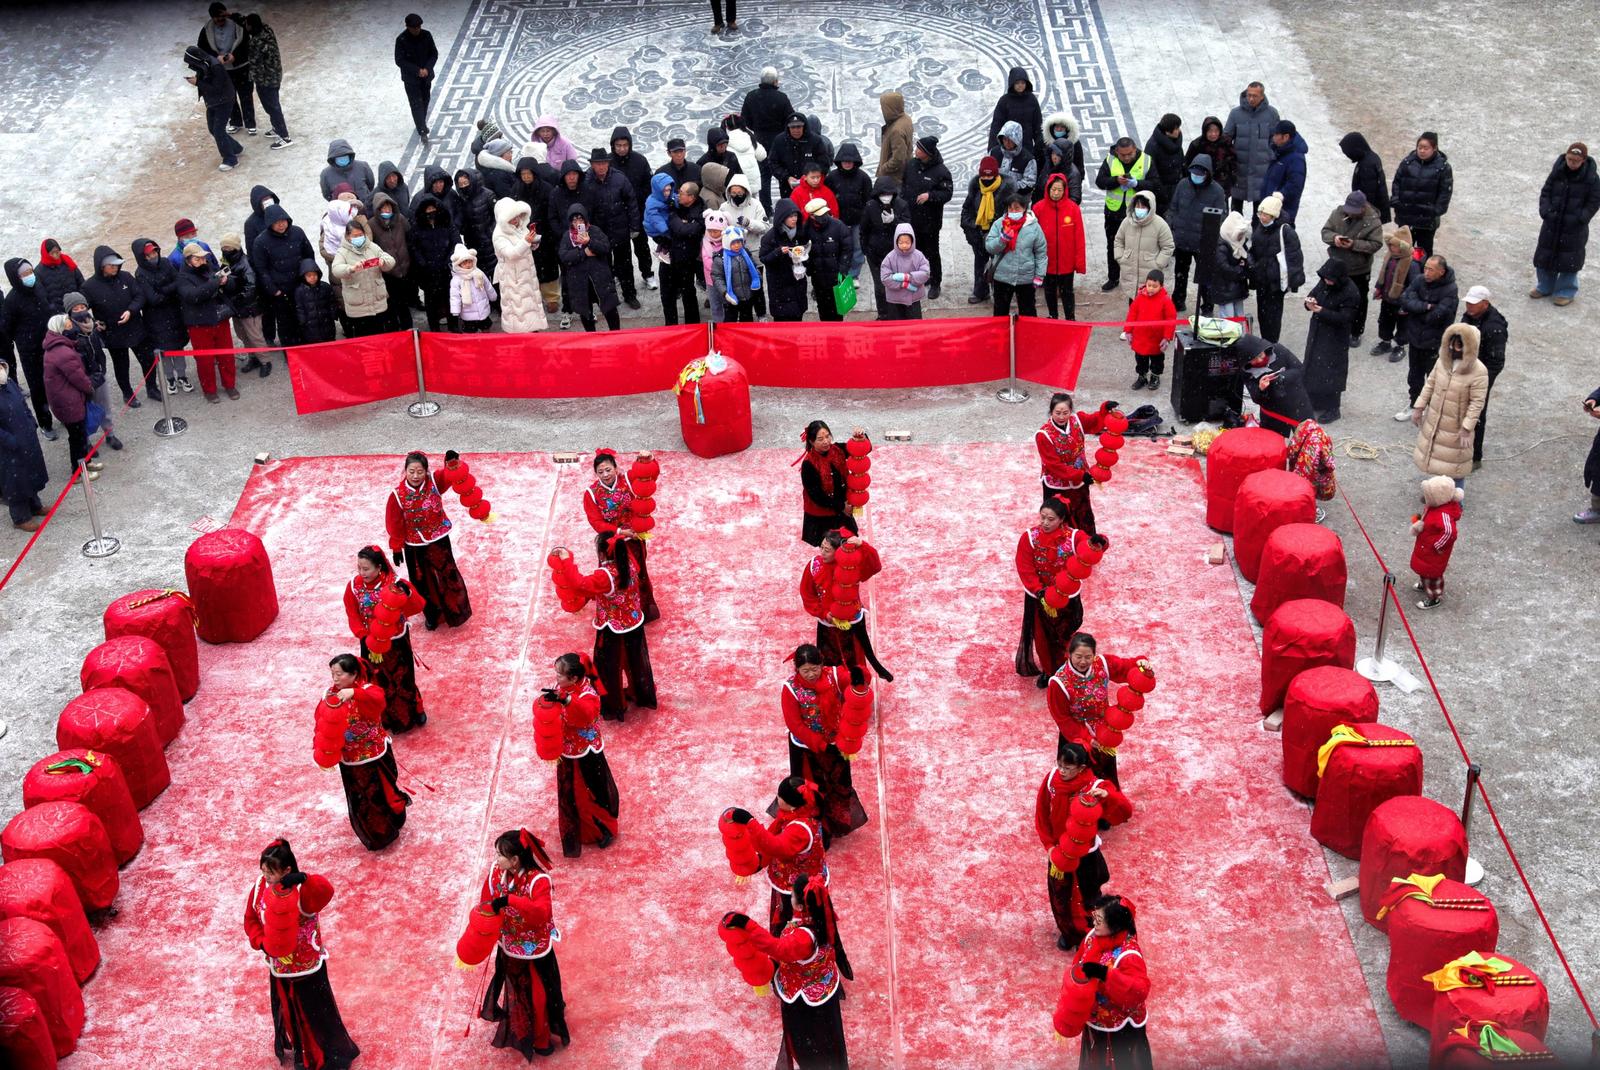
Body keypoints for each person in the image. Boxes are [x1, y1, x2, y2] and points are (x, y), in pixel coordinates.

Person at [243, 839, 359, 1070]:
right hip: (279, 967)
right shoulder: (259, 888)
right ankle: (301, 1050)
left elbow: (325, 891)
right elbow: (251, 919)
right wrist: (261, 942)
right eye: (263, 871)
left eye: (270, 873)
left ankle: (319, 1057)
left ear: (287, 871)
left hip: (306, 968)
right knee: (290, 1011)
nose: (265, 877)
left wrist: (305, 878)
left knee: (313, 1013)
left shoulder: (304, 891)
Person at [719, 874, 850, 1070]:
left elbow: (778, 949)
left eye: (793, 897)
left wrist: (746, 924)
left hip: (805, 1001)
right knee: (826, 1043)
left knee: (810, 1046)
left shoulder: (802, 939)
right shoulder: (822, 917)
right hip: (823, 988)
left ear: (799, 905)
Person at [477, 829, 569, 1058]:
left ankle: (540, 1039)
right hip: (508, 947)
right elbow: (486, 901)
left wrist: (510, 900)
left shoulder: (538, 881)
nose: (496, 859)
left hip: (535, 952)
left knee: (538, 997)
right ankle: (524, 1033)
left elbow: (541, 913)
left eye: (500, 854)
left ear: (515, 860)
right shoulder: (497, 873)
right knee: (517, 995)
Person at [727, 777, 852, 945]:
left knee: (794, 923)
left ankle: (795, 950)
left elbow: (775, 846)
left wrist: (749, 821)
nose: (777, 799)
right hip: (798, 877)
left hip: (797, 888)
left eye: (780, 797)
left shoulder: (798, 830)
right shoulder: (802, 813)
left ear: (792, 805)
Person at [1037, 740, 1132, 950]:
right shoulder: (1052, 779)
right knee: (1060, 897)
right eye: (1060, 765)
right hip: (1059, 854)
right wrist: (1049, 846)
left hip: (1086, 854)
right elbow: (1042, 813)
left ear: (1081, 768)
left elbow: (1125, 811)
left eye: (1068, 768)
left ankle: (1093, 933)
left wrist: (1108, 796)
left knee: (1090, 895)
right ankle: (1068, 933)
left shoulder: (1095, 787)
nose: (1062, 771)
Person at [551, 535, 658, 721]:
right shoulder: (630, 561)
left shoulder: (605, 575)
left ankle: (614, 705)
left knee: (609, 669)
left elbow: (579, 584)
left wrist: (566, 560)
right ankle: (640, 695)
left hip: (612, 629)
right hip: (633, 622)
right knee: (636, 663)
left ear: (602, 552)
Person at [316, 653, 411, 850]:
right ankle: (377, 834)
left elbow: (378, 701)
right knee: (361, 800)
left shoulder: (368, 690)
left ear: (353, 674)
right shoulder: (330, 695)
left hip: (374, 755)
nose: (335, 679)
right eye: (333, 674)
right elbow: (323, 725)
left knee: (382, 793)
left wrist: (354, 693)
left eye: (339, 674)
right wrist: (325, 754)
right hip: (350, 760)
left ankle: (393, 821)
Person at [781, 644, 870, 839]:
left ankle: (834, 824)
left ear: (822, 664)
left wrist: (860, 676)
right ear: (797, 669)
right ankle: (816, 831)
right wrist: (821, 744)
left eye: (815, 668)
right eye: (805, 671)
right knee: (811, 792)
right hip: (806, 750)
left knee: (838, 785)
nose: (811, 674)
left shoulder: (835, 676)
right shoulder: (790, 689)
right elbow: (795, 725)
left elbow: (858, 684)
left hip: (836, 745)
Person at [1015, 497, 1106, 683]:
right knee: (1043, 638)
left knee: (1064, 635)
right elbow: (1024, 566)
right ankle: (1050, 672)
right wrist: (1039, 590)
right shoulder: (1029, 537)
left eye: (1051, 519)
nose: (1045, 523)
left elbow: (1091, 546)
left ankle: (1069, 669)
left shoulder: (1074, 537)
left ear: (1062, 519)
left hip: (1067, 597)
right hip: (1039, 599)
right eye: (1043, 517)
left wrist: (1099, 542)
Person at [385, 450, 476, 629]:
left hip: (438, 539)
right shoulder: (398, 495)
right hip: (414, 544)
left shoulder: (434, 482)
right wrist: (396, 547)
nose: (416, 476)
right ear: (405, 471)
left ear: (426, 471)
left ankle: (456, 611)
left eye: (420, 471)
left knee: (447, 575)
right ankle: (432, 615)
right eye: (411, 471)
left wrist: (452, 463)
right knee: (421, 582)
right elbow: (394, 522)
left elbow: (450, 475)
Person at [1059, 893, 1152, 1069]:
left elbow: (1139, 991)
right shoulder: (1093, 937)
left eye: (1099, 920)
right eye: (1094, 917)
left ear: (1115, 926)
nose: (1094, 923)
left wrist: (1105, 974)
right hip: (1096, 1018)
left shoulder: (1129, 955)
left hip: (1119, 1028)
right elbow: (1078, 965)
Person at [539, 654, 618, 856]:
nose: (556, 677)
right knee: (571, 795)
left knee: (584, 795)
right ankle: (582, 829)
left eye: (560, 674)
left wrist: (566, 701)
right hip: (567, 750)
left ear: (574, 678)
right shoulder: (563, 689)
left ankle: (602, 830)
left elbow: (584, 716)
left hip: (584, 754)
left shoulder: (588, 695)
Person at [343, 545, 428, 733]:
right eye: (359, 568)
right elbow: (352, 613)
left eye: (366, 569)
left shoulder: (395, 584)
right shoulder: (353, 586)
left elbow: (416, 606)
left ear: (379, 567)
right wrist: (363, 635)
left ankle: (412, 711)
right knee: (376, 680)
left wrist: (408, 593)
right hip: (369, 642)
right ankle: (383, 717)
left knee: (402, 678)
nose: (361, 572)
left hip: (395, 641)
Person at [1046, 634, 1149, 787]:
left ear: (1094, 655)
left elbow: (1124, 668)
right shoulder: (1059, 682)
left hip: (1105, 732)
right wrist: (1086, 738)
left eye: (1088, 657)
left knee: (1106, 777)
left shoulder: (1102, 664)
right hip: (1076, 738)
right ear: (1069, 654)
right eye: (1078, 656)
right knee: (1078, 780)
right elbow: (1063, 719)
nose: (1083, 661)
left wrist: (1140, 664)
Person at [801, 529, 894, 681]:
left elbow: (874, 565)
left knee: (856, 659)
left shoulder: (851, 565)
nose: (822, 553)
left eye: (827, 550)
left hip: (852, 619)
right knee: (828, 661)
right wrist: (823, 613)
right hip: (827, 623)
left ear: (838, 552)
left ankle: (858, 687)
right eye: (821, 548)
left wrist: (863, 545)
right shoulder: (814, 566)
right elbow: (807, 594)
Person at [583, 447, 660, 622]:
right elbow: (596, 522)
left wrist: (648, 460)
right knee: (615, 578)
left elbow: (649, 476)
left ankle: (640, 611)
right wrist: (618, 531)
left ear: (616, 468)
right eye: (600, 471)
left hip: (633, 539)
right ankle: (614, 616)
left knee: (638, 574)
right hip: (611, 543)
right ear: (596, 473)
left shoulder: (627, 480)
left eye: (608, 470)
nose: (605, 474)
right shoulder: (591, 494)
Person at [1410, 323, 1487, 488]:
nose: (1453, 349)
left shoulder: (1479, 371)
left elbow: (1477, 402)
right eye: (1451, 344)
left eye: (1458, 345)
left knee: (1455, 467)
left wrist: (1467, 428)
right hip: (1436, 422)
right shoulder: (1442, 362)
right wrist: (1419, 407)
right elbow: (1430, 383)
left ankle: (1455, 502)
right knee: (1437, 460)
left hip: (1456, 428)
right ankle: (1437, 494)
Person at [81, 246, 156, 406]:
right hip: (113, 335)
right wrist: (94, 323)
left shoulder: (126, 277)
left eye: (117, 264)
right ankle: (127, 394)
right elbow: (82, 309)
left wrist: (131, 310)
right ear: (101, 266)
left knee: (148, 360)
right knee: (121, 366)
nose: (115, 267)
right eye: (111, 265)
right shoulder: (89, 287)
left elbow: (139, 295)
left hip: (136, 328)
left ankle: (152, 388)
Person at [1035, 392, 1115, 532]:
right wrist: (1081, 475)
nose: (1061, 417)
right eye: (1057, 412)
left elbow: (1095, 421)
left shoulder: (1077, 421)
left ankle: (1085, 545)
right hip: (1057, 486)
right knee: (1059, 519)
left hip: (1080, 482)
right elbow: (1054, 466)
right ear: (1051, 411)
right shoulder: (1044, 435)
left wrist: (1105, 409)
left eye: (1065, 412)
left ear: (1071, 411)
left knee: (1084, 516)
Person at [1533, 142, 1600, 305]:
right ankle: (1544, 286)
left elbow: (1594, 201)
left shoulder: (1592, 178)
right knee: (1544, 255)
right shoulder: (1557, 171)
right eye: (1570, 159)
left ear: (1583, 160)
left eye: (1576, 161)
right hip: (1552, 223)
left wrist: (1581, 218)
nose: (1572, 163)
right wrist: (1545, 211)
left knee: (1569, 260)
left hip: (1574, 228)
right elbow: (1546, 191)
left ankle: (1566, 291)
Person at [1, 259, 59, 438]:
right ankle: (45, 423)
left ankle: (62, 413)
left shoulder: (38, 286)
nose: (30, 276)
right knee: (38, 388)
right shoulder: (11, 301)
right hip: (31, 352)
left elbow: (49, 306)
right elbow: (6, 328)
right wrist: (25, 340)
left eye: (31, 271)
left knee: (56, 382)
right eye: (24, 274)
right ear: (15, 277)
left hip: (50, 343)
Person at [1396, 254, 1459, 419]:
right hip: (1415, 338)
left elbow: (1436, 317)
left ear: (1441, 272)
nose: (1426, 272)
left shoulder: (1450, 290)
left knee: (1434, 379)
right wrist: (1426, 306)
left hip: (1434, 342)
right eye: (1425, 268)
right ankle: (1414, 405)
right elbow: (1404, 298)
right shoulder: (1419, 280)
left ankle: (1433, 411)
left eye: (1431, 269)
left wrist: (1415, 310)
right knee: (1414, 376)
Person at [176, 243, 237, 403]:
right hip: (199, 324)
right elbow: (193, 296)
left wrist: (226, 282)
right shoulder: (182, 278)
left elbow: (228, 286)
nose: (202, 261)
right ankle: (209, 390)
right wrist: (215, 283)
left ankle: (229, 385)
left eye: (203, 257)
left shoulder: (209, 269)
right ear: (188, 260)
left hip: (219, 319)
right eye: (198, 258)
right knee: (205, 360)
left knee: (227, 356)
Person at [1320, 190, 1382, 347]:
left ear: (1363, 208)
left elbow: (1376, 244)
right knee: (1334, 298)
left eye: (1354, 212)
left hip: (1359, 269)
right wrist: (1334, 239)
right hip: (1337, 265)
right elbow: (1325, 231)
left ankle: (1356, 331)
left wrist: (1354, 245)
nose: (1350, 214)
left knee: (1359, 301)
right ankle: (1336, 327)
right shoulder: (1338, 213)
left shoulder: (1373, 221)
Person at [1300, 260, 1360, 423]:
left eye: (1329, 279)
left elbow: (1345, 318)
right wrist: (1309, 302)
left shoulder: (1350, 292)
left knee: (1332, 370)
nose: (1326, 282)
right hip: (1318, 331)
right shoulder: (1326, 281)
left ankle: (1333, 407)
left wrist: (1322, 311)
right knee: (1313, 365)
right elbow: (1314, 294)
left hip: (1335, 337)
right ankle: (1316, 399)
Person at [60, 293, 120, 451]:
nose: (80, 311)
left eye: (83, 307)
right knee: (83, 410)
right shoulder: (68, 332)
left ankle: (110, 434)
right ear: (69, 312)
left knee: (104, 405)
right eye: (76, 309)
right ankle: (86, 441)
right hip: (81, 377)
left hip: (98, 372)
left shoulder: (92, 324)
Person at [130, 240, 192, 391]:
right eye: (149, 254)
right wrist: (170, 291)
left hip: (174, 314)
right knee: (164, 353)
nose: (153, 256)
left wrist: (163, 290)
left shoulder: (165, 263)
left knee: (178, 349)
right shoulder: (140, 273)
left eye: (154, 252)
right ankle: (170, 379)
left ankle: (182, 376)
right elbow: (153, 299)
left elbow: (178, 280)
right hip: (156, 320)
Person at [1167, 154, 1226, 310]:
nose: (1196, 177)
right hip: (1182, 240)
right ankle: (1178, 301)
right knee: (1180, 273)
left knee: (1205, 277)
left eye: (1200, 174)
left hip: (1203, 243)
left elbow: (1221, 216)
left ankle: (1207, 305)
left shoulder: (1217, 191)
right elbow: (1173, 208)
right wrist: (1172, 227)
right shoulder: (1182, 185)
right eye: (1194, 174)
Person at [584, 149, 641, 309]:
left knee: (625, 265)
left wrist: (634, 226)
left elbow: (631, 203)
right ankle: (609, 297)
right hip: (599, 233)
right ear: (592, 165)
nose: (601, 167)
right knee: (603, 267)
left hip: (620, 230)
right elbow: (585, 209)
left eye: (604, 163)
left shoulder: (619, 178)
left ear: (608, 163)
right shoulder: (586, 182)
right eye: (597, 164)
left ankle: (630, 295)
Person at [250, 205, 314, 348]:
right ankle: (290, 350)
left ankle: (307, 346)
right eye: (276, 222)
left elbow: (308, 255)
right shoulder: (261, 242)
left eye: (283, 220)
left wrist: (309, 277)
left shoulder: (297, 232)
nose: (281, 224)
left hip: (301, 285)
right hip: (280, 291)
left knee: (304, 316)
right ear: (269, 223)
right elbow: (261, 270)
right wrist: (274, 290)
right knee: (285, 322)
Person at [1094, 138, 1154, 291]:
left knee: (1135, 247)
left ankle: (1133, 278)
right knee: (1113, 245)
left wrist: (1137, 184)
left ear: (1135, 149)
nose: (1127, 157)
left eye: (1130, 154)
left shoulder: (1146, 161)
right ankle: (1113, 277)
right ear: (1117, 152)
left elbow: (1155, 185)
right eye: (1123, 155)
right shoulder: (1110, 160)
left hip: (1136, 212)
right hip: (1113, 211)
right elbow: (1100, 181)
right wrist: (1115, 181)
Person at [42, 317, 97, 479]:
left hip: (64, 399)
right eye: (68, 324)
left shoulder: (56, 347)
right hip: (69, 402)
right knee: (77, 437)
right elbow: (78, 377)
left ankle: (86, 461)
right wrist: (90, 387)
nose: (72, 326)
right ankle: (78, 471)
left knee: (80, 435)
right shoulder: (63, 352)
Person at [1460, 286, 1508, 468]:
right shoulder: (1470, 317)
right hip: (1465, 371)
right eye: (1468, 303)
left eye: (1473, 303)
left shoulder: (1494, 328)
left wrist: (1481, 381)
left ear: (1485, 304)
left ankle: (1474, 457)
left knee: (1477, 415)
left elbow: (1496, 362)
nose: (1469, 306)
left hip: (1480, 377)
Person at [0, 353, 49, 531]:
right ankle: (20, 517)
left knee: (31, 473)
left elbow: (23, 405)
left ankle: (35, 505)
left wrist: (32, 423)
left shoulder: (10, 384)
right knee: (15, 482)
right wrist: (10, 441)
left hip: (26, 438)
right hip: (8, 448)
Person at [1247, 192, 1303, 342]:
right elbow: (1254, 250)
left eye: (1265, 214)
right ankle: (1266, 342)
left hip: (1275, 284)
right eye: (1260, 213)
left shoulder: (1286, 232)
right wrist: (1251, 264)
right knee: (1262, 314)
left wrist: (1294, 282)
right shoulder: (1260, 227)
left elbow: (1294, 258)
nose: (1262, 217)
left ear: (1274, 216)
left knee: (1273, 316)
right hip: (1261, 280)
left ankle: (1271, 344)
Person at [901, 136, 952, 299]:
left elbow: (947, 193)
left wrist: (930, 196)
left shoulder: (941, 171)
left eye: (919, 149)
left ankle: (935, 282)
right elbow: (904, 185)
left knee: (932, 252)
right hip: (912, 218)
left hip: (930, 222)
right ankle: (920, 279)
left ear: (928, 153)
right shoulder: (911, 165)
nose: (915, 151)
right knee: (916, 252)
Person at [609, 127, 657, 293]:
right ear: (613, 146)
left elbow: (648, 185)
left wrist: (640, 205)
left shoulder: (640, 160)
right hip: (615, 216)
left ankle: (647, 273)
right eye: (618, 145)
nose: (622, 148)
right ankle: (617, 274)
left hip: (638, 213)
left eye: (625, 145)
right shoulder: (607, 163)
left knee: (641, 246)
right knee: (618, 250)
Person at [559, 205, 622, 332]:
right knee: (585, 312)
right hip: (579, 282)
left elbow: (605, 247)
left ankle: (616, 336)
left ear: (585, 219)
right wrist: (583, 253)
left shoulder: (594, 230)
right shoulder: (567, 236)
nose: (578, 223)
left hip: (600, 278)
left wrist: (589, 242)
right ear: (570, 222)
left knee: (610, 309)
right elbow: (564, 256)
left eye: (580, 219)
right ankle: (591, 338)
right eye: (575, 220)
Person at [1033, 171, 1086, 320]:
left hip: (1066, 262)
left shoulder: (1073, 209)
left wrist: (1079, 263)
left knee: (1067, 292)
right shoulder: (1038, 209)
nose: (1056, 193)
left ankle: (1070, 318)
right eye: (1053, 189)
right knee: (1049, 291)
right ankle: (1053, 316)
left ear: (1065, 190)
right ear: (1048, 189)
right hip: (1047, 261)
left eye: (1059, 190)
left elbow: (1079, 238)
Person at [1391, 133, 1453, 259]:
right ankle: (1402, 277)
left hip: (1426, 221)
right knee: (1402, 251)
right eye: (1420, 147)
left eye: (1426, 148)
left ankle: (1420, 275)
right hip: (1406, 217)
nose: (1422, 151)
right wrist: (1396, 201)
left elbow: (1445, 193)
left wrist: (1435, 211)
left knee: (1421, 254)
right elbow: (1397, 182)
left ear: (1434, 148)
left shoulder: (1442, 168)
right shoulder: (1408, 162)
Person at [798, 420, 862, 544]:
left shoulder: (838, 449)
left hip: (842, 511)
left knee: (848, 548)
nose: (826, 441)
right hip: (823, 516)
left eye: (827, 436)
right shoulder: (808, 464)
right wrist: (842, 507)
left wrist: (860, 437)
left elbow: (864, 448)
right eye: (820, 439)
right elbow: (817, 496)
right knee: (828, 551)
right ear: (811, 442)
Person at [986, 193, 1048, 317]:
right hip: (1002, 276)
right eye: (1011, 208)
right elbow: (989, 247)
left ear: (1024, 208)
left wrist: (1039, 275)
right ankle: (1001, 336)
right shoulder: (999, 224)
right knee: (1000, 313)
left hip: (1025, 278)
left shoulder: (1034, 227)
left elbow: (1041, 253)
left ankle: (1027, 336)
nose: (1013, 211)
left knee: (1028, 313)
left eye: (1017, 208)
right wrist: (1002, 240)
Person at [195, 3, 254, 134]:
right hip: (223, 70)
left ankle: (250, 123)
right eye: (217, 17)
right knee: (229, 97)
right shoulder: (207, 30)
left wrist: (235, 56)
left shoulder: (238, 25)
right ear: (212, 18)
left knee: (246, 95)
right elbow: (202, 49)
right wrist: (216, 58)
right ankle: (236, 122)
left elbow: (247, 45)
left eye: (222, 16)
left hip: (242, 67)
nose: (220, 20)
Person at [332, 217, 395, 337]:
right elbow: (336, 270)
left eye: (360, 235)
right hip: (358, 307)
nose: (358, 238)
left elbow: (391, 261)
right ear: (348, 237)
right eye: (354, 236)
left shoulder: (372, 247)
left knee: (381, 336)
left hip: (377, 303)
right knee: (364, 338)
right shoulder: (342, 252)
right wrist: (350, 269)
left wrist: (383, 262)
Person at [1239, 335, 1315, 436]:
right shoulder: (1247, 372)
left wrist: (1281, 378)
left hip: (1296, 401)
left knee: (1307, 438)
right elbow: (1256, 398)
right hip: (1272, 412)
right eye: (1253, 359)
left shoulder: (1278, 350)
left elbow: (1299, 369)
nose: (1259, 360)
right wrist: (1261, 389)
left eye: (1259, 355)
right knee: (1274, 445)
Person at [742, 68, 794, 211]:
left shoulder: (751, 96)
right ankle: (787, 207)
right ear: (775, 81)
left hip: (759, 140)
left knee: (764, 176)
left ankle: (766, 208)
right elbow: (790, 119)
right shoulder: (781, 98)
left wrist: (758, 129)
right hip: (779, 141)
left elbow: (745, 120)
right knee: (783, 174)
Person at [491, 198, 547, 332]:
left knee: (530, 305)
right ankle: (521, 337)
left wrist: (533, 243)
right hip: (512, 277)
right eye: (512, 217)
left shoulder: (520, 228)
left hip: (526, 274)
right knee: (517, 310)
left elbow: (526, 247)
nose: (516, 220)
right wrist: (526, 242)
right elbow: (511, 254)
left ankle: (533, 331)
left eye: (517, 216)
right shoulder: (499, 235)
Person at [962, 155, 1012, 305]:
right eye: (984, 176)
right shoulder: (976, 188)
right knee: (980, 264)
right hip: (979, 234)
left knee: (999, 265)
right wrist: (973, 228)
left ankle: (1001, 293)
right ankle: (980, 291)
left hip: (998, 235)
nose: (987, 179)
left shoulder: (1006, 190)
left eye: (990, 176)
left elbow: (1011, 214)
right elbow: (966, 211)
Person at [1223, 81, 1280, 213]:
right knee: (1236, 210)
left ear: (1262, 96)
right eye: (1249, 95)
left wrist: (1270, 156)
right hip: (1240, 168)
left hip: (1262, 170)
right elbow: (1226, 138)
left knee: (1261, 209)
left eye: (1255, 96)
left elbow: (1276, 140)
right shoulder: (1235, 114)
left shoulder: (1271, 114)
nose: (1251, 99)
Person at [217, 235, 269, 377]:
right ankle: (253, 358)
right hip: (236, 307)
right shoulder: (227, 261)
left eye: (228, 247)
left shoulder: (245, 263)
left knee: (255, 336)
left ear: (236, 247)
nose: (225, 250)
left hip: (249, 307)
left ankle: (265, 361)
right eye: (223, 248)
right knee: (243, 335)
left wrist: (237, 298)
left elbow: (251, 287)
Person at [1410, 476, 1464, 610]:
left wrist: (1437, 546)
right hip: (1425, 545)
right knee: (1424, 567)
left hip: (1433, 550)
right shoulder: (1434, 506)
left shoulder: (1444, 514)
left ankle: (1434, 597)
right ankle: (1424, 583)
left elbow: (1450, 533)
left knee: (1433, 573)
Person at [1113, 191, 1174, 305]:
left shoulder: (1160, 224)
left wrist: (1158, 264)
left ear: (1150, 207)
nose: (1140, 209)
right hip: (1130, 272)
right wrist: (1120, 258)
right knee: (1133, 305)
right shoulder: (1127, 222)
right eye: (1137, 206)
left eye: (1143, 206)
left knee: (1150, 309)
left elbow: (1168, 246)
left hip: (1149, 276)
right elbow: (1118, 241)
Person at [862, 176, 910, 317]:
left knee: (897, 284)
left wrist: (894, 221)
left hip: (897, 253)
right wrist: (866, 249)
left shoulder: (901, 205)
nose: (885, 197)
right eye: (883, 194)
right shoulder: (870, 206)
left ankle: (898, 312)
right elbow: (864, 230)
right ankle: (883, 314)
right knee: (880, 287)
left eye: (888, 194)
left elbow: (907, 229)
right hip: (876, 254)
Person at [1369, 226, 1418, 365]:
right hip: (1387, 298)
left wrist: (1406, 303)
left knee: (1403, 325)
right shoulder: (1390, 257)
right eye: (1390, 245)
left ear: (1402, 247)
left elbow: (1414, 286)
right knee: (1384, 321)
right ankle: (1385, 341)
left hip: (1402, 303)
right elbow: (1383, 274)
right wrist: (1379, 288)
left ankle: (1400, 345)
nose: (1390, 247)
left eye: (1394, 246)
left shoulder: (1412, 264)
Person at [410, 195, 458, 331]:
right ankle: (434, 329)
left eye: (433, 209)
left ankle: (454, 326)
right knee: (431, 302)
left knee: (451, 299)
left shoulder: (447, 223)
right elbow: (414, 248)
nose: (431, 212)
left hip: (446, 270)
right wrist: (423, 263)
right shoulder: (417, 227)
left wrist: (448, 260)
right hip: (428, 273)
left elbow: (455, 243)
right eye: (428, 209)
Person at [1124, 269, 1176, 392]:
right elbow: (1132, 314)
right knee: (1140, 359)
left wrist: (1167, 337)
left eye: (1155, 286)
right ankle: (1142, 376)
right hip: (1140, 337)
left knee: (1157, 360)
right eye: (1149, 285)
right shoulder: (1139, 298)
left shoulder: (1165, 300)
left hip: (1156, 338)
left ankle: (1155, 376)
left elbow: (1171, 319)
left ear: (1161, 286)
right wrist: (1128, 331)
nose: (1151, 289)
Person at [243, 13, 290, 148]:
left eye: (246, 24)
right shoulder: (267, 30)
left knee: (272, 106)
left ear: (251, 26)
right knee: (271, 105)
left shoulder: (255, 43)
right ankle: (276, 127)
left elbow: (253, 62)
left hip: (265, 79)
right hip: (274, 75)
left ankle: (284, 136)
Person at [826, 145, 871, 283]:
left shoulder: (863, 178)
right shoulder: (832, 177)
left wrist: (866, 216)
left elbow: (869, 199)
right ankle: (841, 272)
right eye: (844, 161)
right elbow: (827, 197)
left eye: (850, 161)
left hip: (858, 219)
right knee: (839, 246)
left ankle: (854, 274)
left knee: (857, 247)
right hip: (838, 220)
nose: (847, 163)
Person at [760, 197, 810, 323]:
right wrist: (778, 252)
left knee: (797, 319)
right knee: (782, 325)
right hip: (779, 287)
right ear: (782, 217)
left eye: (796, 215)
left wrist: (804, 257)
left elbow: (808, 255)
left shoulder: (801, 233)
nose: (794, 219)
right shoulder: (770, 237)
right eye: (790, 216)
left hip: (797, 282)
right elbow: (764, 258)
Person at [370, 193, 414, 332]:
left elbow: (410, 238)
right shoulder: (371, 225)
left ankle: (408, 329)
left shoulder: (400, 219)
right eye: (382, 208)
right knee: (390, 304)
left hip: (404, 268)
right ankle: (393, 330)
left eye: (388, 207)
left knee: (404, 303)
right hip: (387, 273)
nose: (386, 210)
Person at [803, 200, 852, 322]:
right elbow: (803, 251)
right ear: (812, 216)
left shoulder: (838, 226)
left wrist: (842, 269)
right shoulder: (806, 229)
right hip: (818, 277)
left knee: (837, 310)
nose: (824, 217)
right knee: (823, 309)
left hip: (836, 277)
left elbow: (848, 249)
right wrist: (809, 268)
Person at [988, 66, 1045, 166]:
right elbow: (996, 125)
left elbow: (1037, 124)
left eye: (1023, 83)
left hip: (1027, 144)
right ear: (1012, 84)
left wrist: (1040, 145)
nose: (1020, 86)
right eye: (1017, 83)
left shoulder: (1032, 100)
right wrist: (993, 148)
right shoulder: (1004, 101)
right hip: (1009, 145)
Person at [452, 169, 500, 285]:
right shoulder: (462, 199)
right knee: (480, 278)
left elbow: (498, 217)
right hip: (473, 244)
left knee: (496, 277)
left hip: (490, 243)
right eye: (461, 184)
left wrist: (490, 233)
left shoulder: (488, 195)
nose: (464, 186)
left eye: (466, 183)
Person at [395, 14, 438, 139]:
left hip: (426, 77)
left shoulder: (426, 35)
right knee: (416, 103)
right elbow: (400, 60)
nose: (417, 30)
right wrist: (417, 70)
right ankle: (422, 129)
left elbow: (433, 54)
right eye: (414, 28)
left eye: (418, 27)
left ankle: (421, 122)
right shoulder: (401, 40)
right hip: (411, 79)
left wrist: (427, 69)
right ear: (408, 27)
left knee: (425, 100)